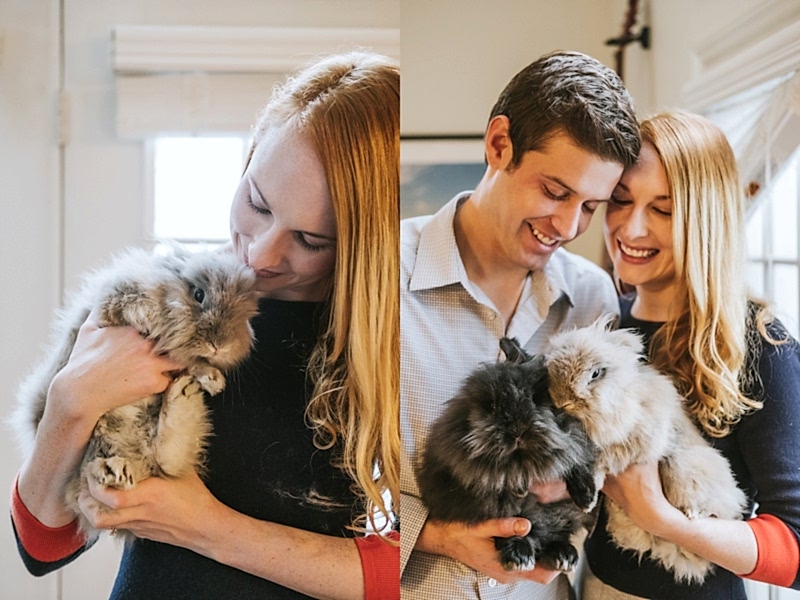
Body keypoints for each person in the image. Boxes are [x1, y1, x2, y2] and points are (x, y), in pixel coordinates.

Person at [10, 51, 400, 600]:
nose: (261, 254)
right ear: (248, 160)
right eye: (257, 205)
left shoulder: (398, 347)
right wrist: (73, 398)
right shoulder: (163, 297)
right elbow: (43, 545)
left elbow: (404, 576)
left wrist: (204, 526)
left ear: (364, 244)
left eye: (312, 240)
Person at [400, 50, 641, 600]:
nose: (567, 225)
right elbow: (323, 479)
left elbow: (603, 463)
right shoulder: (375, 277)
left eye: (590, 207)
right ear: (499, 143)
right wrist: (433, 536)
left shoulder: (590, 296)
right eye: (555, 192)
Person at [579, 109, 800, 599]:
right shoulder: (602, 325)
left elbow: (796, 548)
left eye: (663, 209)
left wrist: (661, 518)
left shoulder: (761, 347)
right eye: (620, 200)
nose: (631, 229)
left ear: (705, 218)